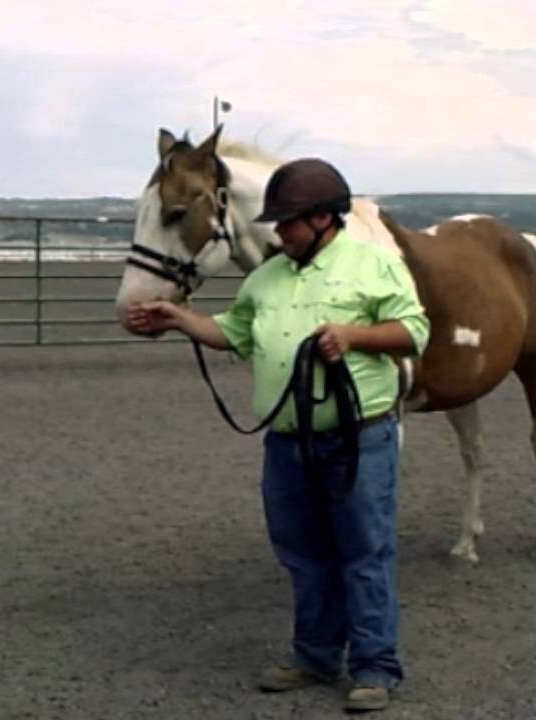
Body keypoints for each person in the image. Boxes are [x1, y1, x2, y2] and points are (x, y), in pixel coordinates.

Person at [125, 157, 429, 714]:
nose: (279, 230)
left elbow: (413, 332)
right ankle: (314, 656)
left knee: (364, 553)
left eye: (288, 221)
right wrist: (178, 318)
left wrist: (353, 336)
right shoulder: (266, 277)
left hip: (357, 437)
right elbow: (233, 333)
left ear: (322, 219)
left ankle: (374, 667)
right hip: (288, 442)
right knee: (303, 554)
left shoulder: (372, 264)